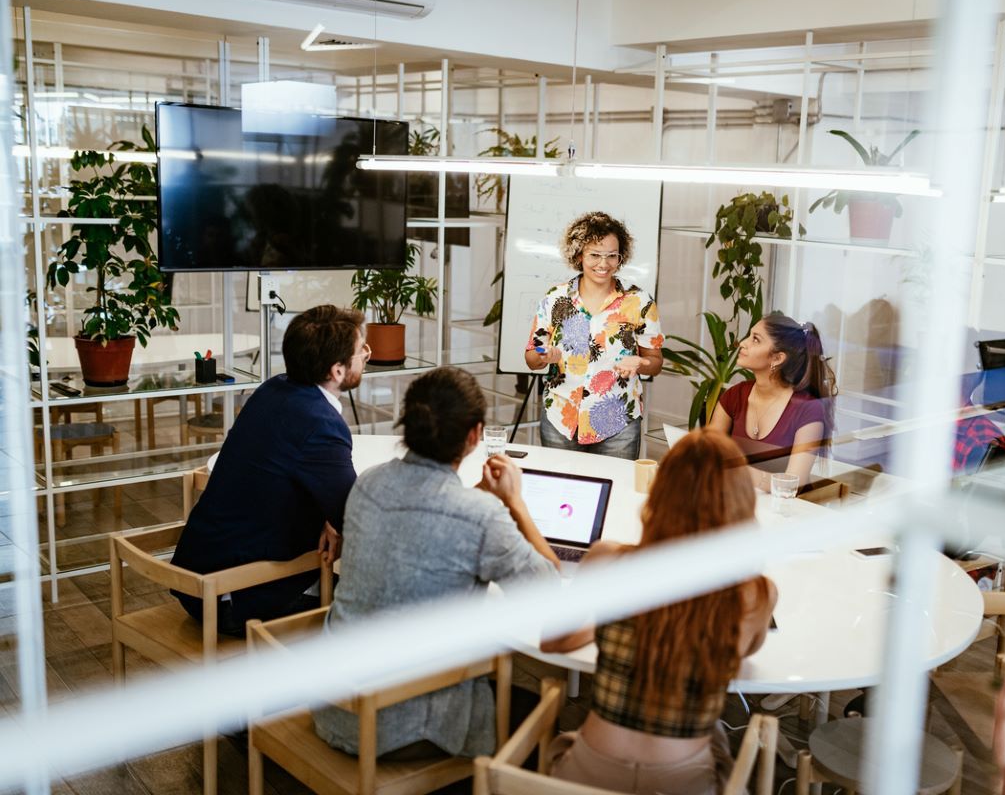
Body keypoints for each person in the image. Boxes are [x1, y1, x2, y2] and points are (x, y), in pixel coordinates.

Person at [313, 366, 560, 760]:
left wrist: (481, 496)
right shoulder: (479, 516)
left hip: (335, 704)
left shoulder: (368, 483)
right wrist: (515, 502)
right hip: (400, 724)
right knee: (547, 712)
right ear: (475, 435)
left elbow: (424, 521)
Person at [541, 430, 777, 795]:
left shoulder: (607, 559)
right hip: (683, 781)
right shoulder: (753, 593)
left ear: (660, 492)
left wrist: (612, 616)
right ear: (740, 502)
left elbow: (552, 641)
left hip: (589, 775)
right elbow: (739, 655)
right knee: (719, 742)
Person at [171, 304, 367, 635]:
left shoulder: (274, 389)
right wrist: (336, 519)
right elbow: (357, 517)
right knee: (374, 605)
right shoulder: (321, 424)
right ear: (337, 371)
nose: (367, 354)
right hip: (233, 597)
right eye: (362, 349)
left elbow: (293, 482)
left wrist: (331, 518)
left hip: (198, 580)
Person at [525, 211, 664, 460]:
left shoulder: (638, 301)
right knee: (561, 493)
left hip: (618, 421)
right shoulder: (556, 298)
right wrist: (543, 356)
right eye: (595, 255)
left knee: (616, 493)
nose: (604, 263)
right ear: (579, 256)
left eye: (612, 255)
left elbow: (655, 362)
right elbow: (531, 357)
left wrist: (642, 363)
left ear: (621, 257)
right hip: (561, 417)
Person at [708, 315, 836, 489]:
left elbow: (793, 483)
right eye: (749, 335)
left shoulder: (808, 410)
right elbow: (708, 453)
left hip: (785, 511)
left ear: (777, 358)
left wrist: (735, 471)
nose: (743, 343)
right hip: (737, 502)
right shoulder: (734, 395)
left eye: (755, 339)